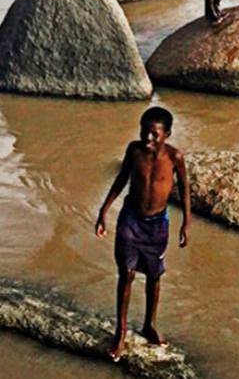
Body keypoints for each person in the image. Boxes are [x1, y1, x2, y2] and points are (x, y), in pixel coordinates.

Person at [94, 106, 189, 363]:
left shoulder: (175, 157)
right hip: (131, 220)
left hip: (157, 225)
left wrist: (186, 223)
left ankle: (149, 325)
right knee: (126, 274)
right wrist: (103, 211)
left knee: (154, 277)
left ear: (167, 134)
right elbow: (121, 179)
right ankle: (121, 331)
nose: (147, 138)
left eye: (154, 134)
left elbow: (185, 189)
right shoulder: (134, 151)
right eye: (144, 131)